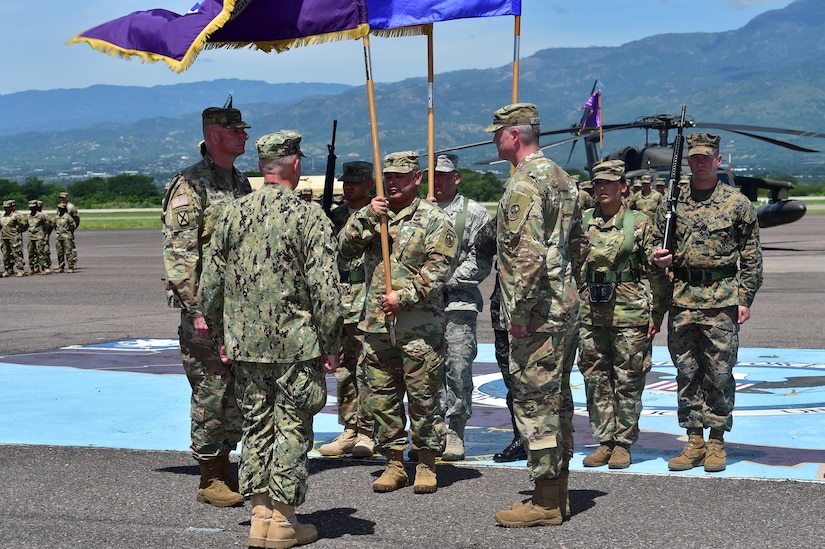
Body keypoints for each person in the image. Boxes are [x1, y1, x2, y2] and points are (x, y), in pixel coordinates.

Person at [200, 130, 343, 549]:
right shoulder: (309, 217)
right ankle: (282, 519)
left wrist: (224, 335)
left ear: (262, 167)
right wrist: (333, 343)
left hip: (246, 345)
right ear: (294, 165)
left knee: (257, 425)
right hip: (296, 345)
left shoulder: (230, 214)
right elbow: (327, 292)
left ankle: (260, 514)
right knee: (293, 429)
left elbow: (210, 286)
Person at [485, 103, 588, 527]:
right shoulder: (563, 179)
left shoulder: (523, 185)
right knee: (558, 400)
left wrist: (520, 313)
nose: (494, 140)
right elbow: (578, 245)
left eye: (497, 133)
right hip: (562, 304)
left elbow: (524, 257)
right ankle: (557, 492)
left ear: (514, 135)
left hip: (538, 314)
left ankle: (545, 502)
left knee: (534, 403)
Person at [338, 151, 457, 494]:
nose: (392, 182)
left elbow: (439, 267)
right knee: (382, 397)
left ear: (417, 178)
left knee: (423, 398)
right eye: (388, 176)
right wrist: (364, 218)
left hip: (418, 325)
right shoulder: (375, 214)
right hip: (377, 325)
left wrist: (402, 296)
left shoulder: (433, 218)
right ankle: (393, 461)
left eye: (400, 177)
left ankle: (425, 463)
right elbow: (343, 250)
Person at [652, 132, 763, 473]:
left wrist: (745, 298)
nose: (699, 162)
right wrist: (657, 257)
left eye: (706, 157)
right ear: (688, 161)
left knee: (718, 372)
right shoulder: (672, 203)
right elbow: (654, 243)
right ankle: (694, 439)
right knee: (686, 372)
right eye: (694, 157)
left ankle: (716, 440)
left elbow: (752, 256)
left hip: (722, 299)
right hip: (683, 298)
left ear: (717, 161)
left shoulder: (737, 203)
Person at [161, 103, 252, 507]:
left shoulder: (239, 182)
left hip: (237, 307)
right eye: (237, 131)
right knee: (212, 391)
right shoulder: (190, 186)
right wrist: (196, 311)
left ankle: (228, 464)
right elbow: (180, 257)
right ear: (215, 135)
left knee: (233, 391)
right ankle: (210, 477)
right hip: (207, 312)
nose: (244, 136)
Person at [578, 160, 670, 469]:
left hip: (629, 313)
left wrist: (657, 315)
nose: (602, 188)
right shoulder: (582, 222)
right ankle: (604, 440)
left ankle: (623, 443)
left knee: (629, 380)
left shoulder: (639, 222)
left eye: (608, 183)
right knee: (595, 379)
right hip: (590, 311)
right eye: (598, 184)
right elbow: (572, 268)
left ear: (623, 187)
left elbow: (657, 274)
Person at [429, 153, 493, 461]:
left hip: (458, 304)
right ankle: (431, 432)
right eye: (434, 175)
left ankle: (455, 430)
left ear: (456, 177)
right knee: (425, 373)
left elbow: (481, 260)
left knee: (457, 367)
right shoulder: (419, 212)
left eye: (444, 175)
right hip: (422, 307)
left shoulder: (475, 213)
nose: (438, 180)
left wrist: (446, 280)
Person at [319, 160, 376, 458]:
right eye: (346, 181)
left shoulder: (379, 215)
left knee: (368, 370)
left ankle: (369, 430)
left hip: (368, 298)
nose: (349, 185)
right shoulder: (333, 217)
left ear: (369, 183)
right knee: (344, 370)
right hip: (340, 301)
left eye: (356, 181)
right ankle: (350, 428)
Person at [1, 199, 28, 277]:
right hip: (4, 237)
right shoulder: (2, 216)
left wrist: (18, 231)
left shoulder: (17, 215)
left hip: (14, 238)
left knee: (17, 254)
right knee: (5, 255)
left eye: (7, 207)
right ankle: (8, 269)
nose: (6, 209)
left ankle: (20, 269)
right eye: (5, 207)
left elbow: (24, 224)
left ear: (12, 207)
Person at [26, 200, 52, 276]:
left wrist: (44, 234)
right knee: (31, 253)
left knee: (41, 252)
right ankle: (32, 268)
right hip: (31, 236)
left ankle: (43, 268)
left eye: (33, 207)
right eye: (30, 207)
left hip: (39, 236)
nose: (32, 209)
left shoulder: (41, 215)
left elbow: (47, 225)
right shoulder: (28, 216)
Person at [53, 203, 76, 273]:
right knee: (59, 253)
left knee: (68, 252)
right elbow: (54, 225)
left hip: (66, 237)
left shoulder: (68, 217)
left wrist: (68, 232)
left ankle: (71, 267)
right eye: (58, 208)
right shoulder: (57, 217)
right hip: (58, 237)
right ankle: (61, 266)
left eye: (61, 208)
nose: (59, 209)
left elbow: (73, 226)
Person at [58, 192, 80, 267]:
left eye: (63, 198)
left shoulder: (71, 207)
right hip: (61, 230)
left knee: (71, 246)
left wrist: (73, 229)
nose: (61, 199)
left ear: (67, 198)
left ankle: (73, 262)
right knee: (61, 247)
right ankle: (62, 264)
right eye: (60, 198)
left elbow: (76, 219)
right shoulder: (60, 207)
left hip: (69, 230)